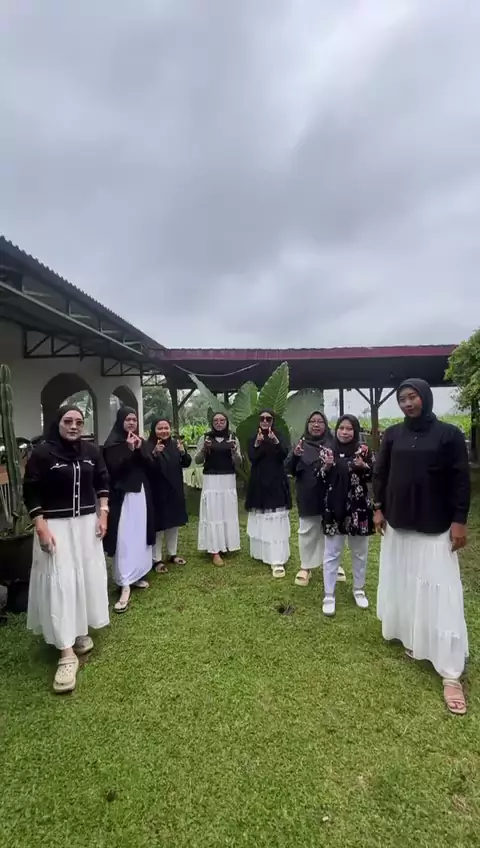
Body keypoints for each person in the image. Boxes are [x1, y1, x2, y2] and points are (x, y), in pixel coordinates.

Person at [374, 378, 470, 715]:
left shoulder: (449, 434)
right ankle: (416, 640)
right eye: (402, 398)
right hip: (399, 523)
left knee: (440, 590)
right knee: (407, 583)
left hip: (435, 525)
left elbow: (461, 480)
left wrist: (459, 520)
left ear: (425, 398)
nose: (407, 403)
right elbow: (381, 473)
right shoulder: (393, 434)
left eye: (412, 397)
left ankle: (450, 673)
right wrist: (378, 508)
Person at [23, 405, 110, 694]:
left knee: (83, 577)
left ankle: (79, 629)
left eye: (79, 422)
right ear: (57, 423)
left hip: (86, 525)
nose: (74, 426)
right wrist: (40, 525)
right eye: (68, 421)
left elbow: (102, 481)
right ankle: (66, 652)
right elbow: (31, 490)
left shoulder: (91, 451)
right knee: (60, 581)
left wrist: (103, 514)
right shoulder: (42, 453)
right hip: (55, 525)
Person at [103, 406, 155, 613]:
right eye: (128, 420)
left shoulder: (140, 441)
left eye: (134, 419)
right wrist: (128, 450)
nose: (132, 423)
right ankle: (124, 581)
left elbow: (151, 466)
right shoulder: (112, 444)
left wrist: (141, 449)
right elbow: (112, 470)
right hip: (123, 497)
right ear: (120, 421)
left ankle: (137, 574)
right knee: (125, 536)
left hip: (141, 494)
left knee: (139, 534)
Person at [322, 415, 374, 616]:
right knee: (332, 552)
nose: (344, 432)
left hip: (358, 508)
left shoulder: (364, 451)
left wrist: (364, 467)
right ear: (336, 430)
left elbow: (375, 474)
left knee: (359, 552)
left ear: (355, 431)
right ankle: (329, 594)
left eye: (349, 428)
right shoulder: (328, 451)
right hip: (334, 508)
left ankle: (359, 590)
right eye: (341, 428)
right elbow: (319, 478)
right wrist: (327, 466)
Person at [286, 411, 334, 586]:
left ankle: (333, 564)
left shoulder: (334, 443)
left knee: (331, 531)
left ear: (325, 425)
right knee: (307, 530)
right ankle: (306, 567)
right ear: (307, 425)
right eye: (312, 421)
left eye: (320, 421)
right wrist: (296, 455)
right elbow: (289, 469)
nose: (316, 424)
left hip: (330, 494)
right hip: (308, 493)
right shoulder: (301, 444)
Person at [245, 409, 291, 578]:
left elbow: (284, 455)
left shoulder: (280, 436)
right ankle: (262, 552)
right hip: (259, 481)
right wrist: (257, 443)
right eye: (262, 418)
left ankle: (277, 558)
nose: (265, 421)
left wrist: (275, 441)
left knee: (275, 518)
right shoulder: (253, 438)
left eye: (268, 419)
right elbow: (252, 458)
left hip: (276, 481)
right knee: (261, 517)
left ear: (273, 421)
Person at [195, 412, 241, 566]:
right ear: (212, 423)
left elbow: (238, 462)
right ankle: (214, 550)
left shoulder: (233, 437)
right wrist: (204, 449)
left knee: (227, 511)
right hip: (212, 479)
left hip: (228, 479)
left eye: (222, 420)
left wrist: (234, 451)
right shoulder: (205, 438)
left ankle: (226, 543)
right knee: (213, 512)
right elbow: (197, 460)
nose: (219, 423)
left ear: (226, 422)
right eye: (216, 420)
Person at [146, 418, 191, 572]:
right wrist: (154, 453)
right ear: (154, 430)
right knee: (159, 526)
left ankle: (172, 554)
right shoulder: (148, 446)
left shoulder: (175, 444)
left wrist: (183, 452)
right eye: (160, 428)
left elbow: (186, 463)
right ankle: (156, 559)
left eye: (166, 428)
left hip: (175, 489)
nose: (164, 431)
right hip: (157, 491)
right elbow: (146, 467)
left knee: (173, 523)